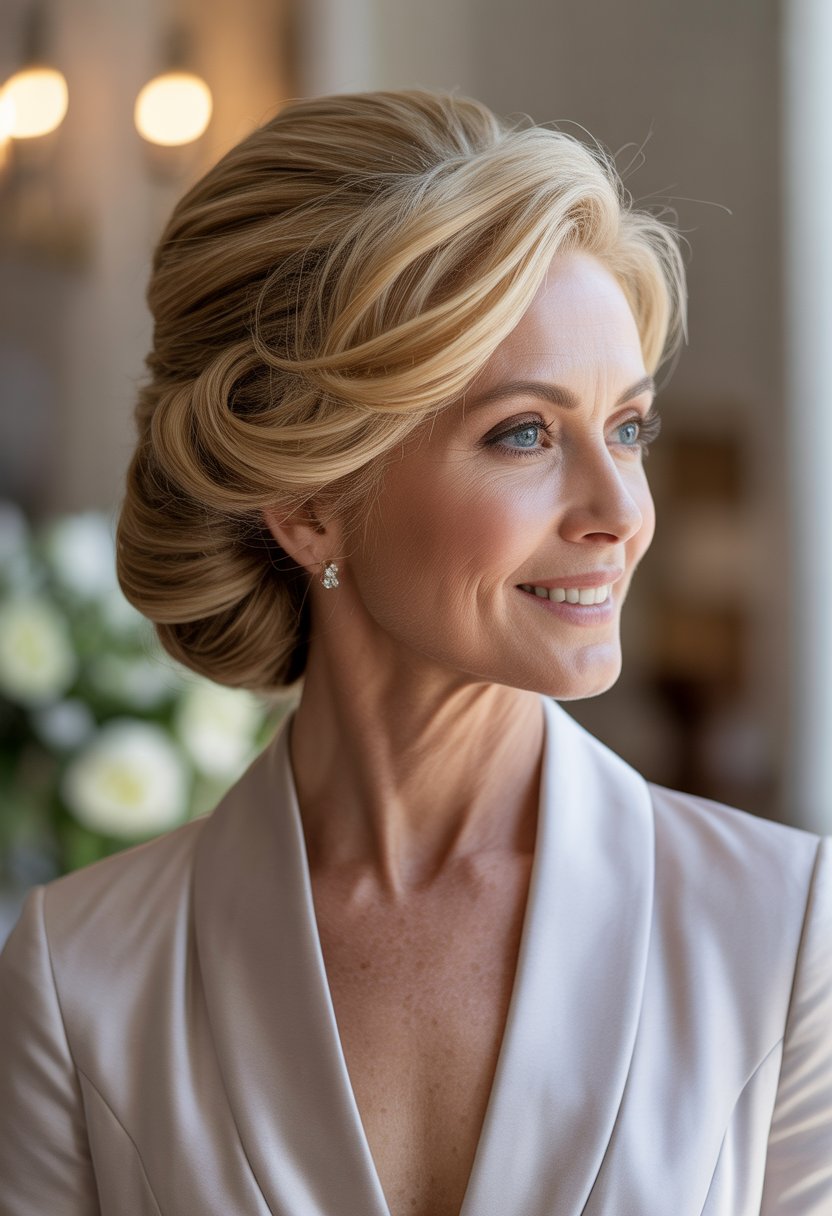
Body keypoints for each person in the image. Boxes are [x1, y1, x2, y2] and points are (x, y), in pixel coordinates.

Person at [0, 89, 829, 1216]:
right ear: (308, 505)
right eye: (525, 433)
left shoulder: (784, 933)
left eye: (627, 428)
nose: (620, 511)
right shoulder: (84, 975)